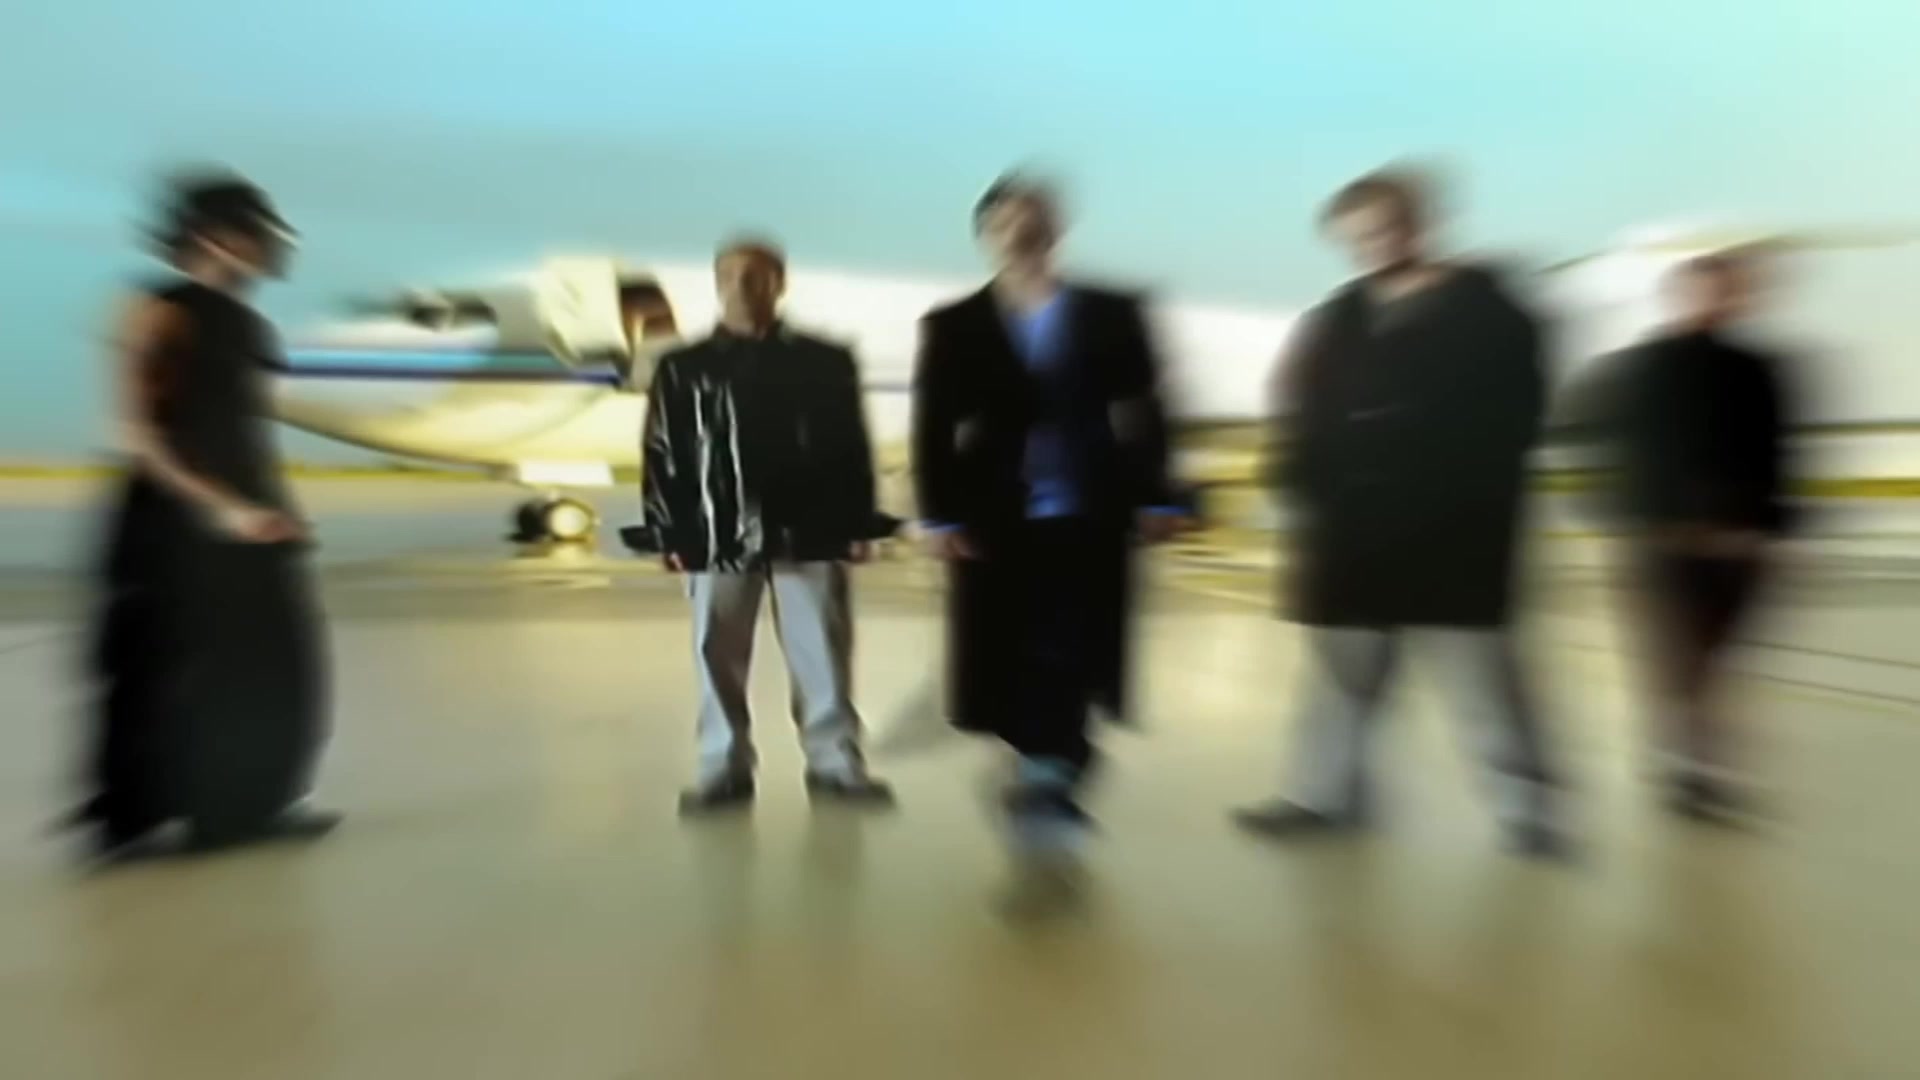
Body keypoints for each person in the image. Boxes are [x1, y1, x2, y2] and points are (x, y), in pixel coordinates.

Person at [1232, 168, 1567, 858]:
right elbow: (1304, 409)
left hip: (1454, 533)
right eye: (1358, 236)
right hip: (1353, 533)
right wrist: (1302, 485)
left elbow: (1518, 416)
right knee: (1341, 682)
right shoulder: (1336, 317)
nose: (1373, 245)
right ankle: (1325, 798)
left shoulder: (1493, 312)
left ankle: (1528, 813)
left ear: (1420, 222)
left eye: (1385, 228)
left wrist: (1449, 481)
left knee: (1484, 684)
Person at [74, 170, 339, 860]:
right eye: (257, 232)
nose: (269, 247)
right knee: (163, 664)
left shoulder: (248, 324)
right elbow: (138, 430)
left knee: (272, 666)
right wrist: (221, 508)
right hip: (174, 522)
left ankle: (245, 810)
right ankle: (137, 821)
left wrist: (269, 508)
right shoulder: (154, 308)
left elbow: (240, 430)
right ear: (217, 235)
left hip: (250, 513)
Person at [913, 174, 1180, 849]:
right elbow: (934, 426)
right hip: (994, 517)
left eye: (1034, 220)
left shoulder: (1112, 313)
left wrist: (1158, 493)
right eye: (1007, 222)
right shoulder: (955, 325)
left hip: (1088, 509)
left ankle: (1049, 777)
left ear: (1055, 229)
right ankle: (1038, 765)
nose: (1022, 232)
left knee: (1071, 646)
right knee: (1003, 648)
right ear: (987, 234)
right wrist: (939, 516)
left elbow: (1147, 408)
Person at [641, 237, 896, 815]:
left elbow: (851, 447)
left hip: (811, 529)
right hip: (718, 530)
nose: (742, 286)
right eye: (730, 275)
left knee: (823, 652)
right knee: (717, 653)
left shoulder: (825, 362)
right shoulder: (684, 368)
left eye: (755, 275)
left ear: (779, 283)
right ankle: (723, 767)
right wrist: (668, 530)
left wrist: (858, 523)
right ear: (716, 283)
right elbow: (663, 451)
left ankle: (835, 764)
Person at [1609, 249, 1796, 821]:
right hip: (1666, 544)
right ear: (1677, 297)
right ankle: (1688, 770)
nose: (1720, 301)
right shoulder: (1645, 367)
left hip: (1735, 546)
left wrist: (1765, 529)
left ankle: (1690, 765)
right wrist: (1654, 523)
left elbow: (1774, 453)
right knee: (1679, 663)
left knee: (1712, 666)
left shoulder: (1756, 369)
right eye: (1708, 289)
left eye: (1730, 289)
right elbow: (1630, 451)